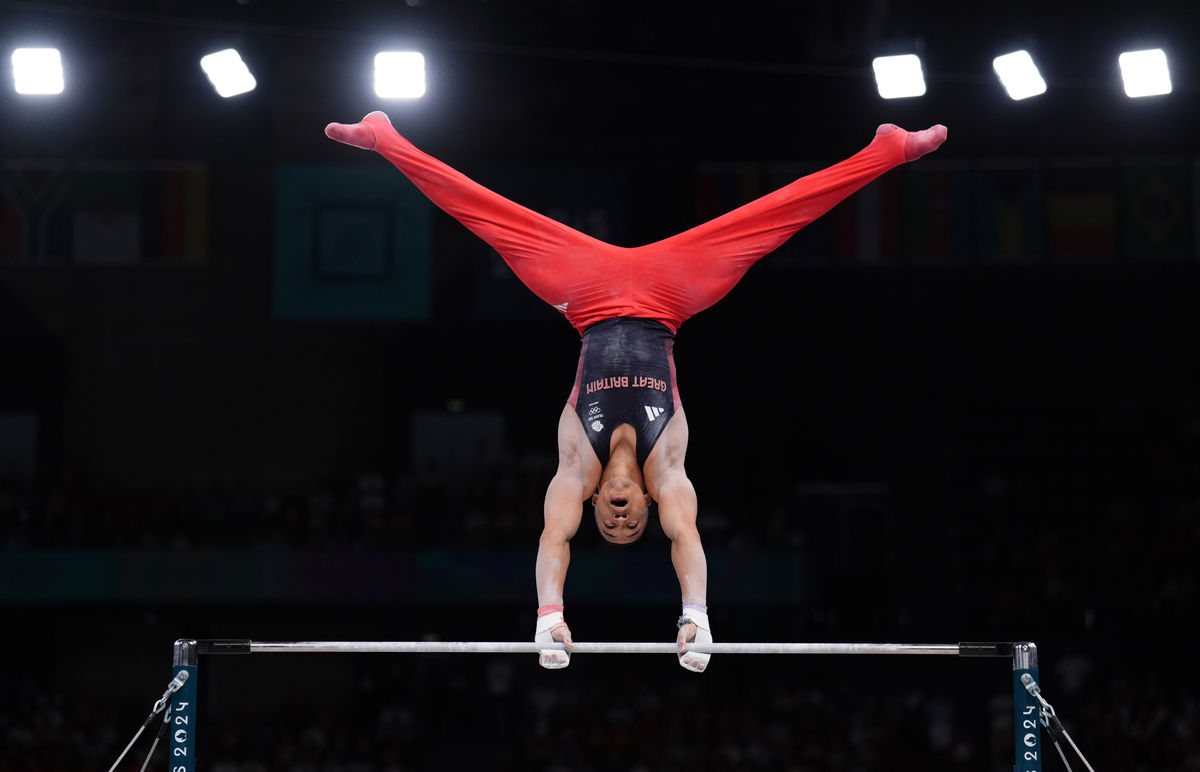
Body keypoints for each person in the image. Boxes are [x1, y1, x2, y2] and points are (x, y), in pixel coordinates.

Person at [325, 111, 947, 672]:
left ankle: (387, 138)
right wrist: (696, 617)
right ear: (648, 505)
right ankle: (887, 152)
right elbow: (688, 541)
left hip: (588, 296)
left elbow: (551, 542)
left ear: (595, 503)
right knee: (768, 223)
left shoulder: (576, 466)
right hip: (668, 299)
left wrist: (550, 617)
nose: (621, 519)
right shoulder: (667, 469)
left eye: (609, 523)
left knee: (491, 218)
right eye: (633, 524)